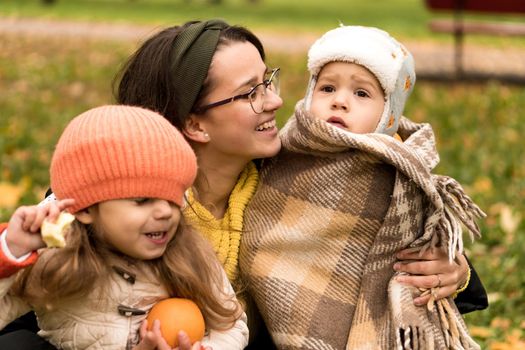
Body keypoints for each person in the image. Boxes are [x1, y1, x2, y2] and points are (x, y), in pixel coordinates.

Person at [0, 19, 487, 349]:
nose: (275, 101)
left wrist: (455, 271)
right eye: (251, 92)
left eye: (268, 79)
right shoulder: (110, 194)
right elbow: (24, 311)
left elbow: (374, 245)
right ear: (196, 124)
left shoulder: (301, 177)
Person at [240, 25, 485, 349]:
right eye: (327, 88)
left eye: (361, 93)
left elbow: (425, 252)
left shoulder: (400, 173)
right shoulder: (279, 159)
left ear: (388, 114)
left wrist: (460, 273)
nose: (340, 101)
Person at [0, 105, 249, 350]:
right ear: (86, 209)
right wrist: (12, 250)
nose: (164, 212)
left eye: (172, 200)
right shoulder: (55, 258)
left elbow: (230, 323)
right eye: (142, 201)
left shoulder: (189, 256)